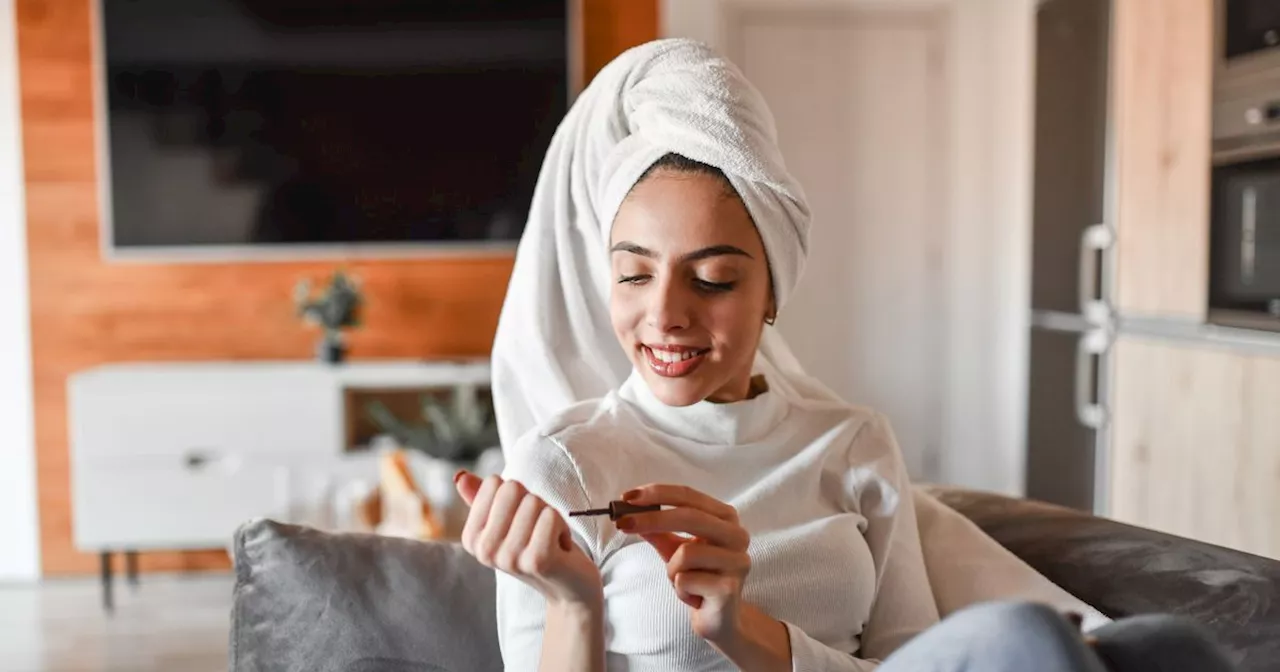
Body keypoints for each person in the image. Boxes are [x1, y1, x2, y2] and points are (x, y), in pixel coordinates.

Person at [452, 39, 1235, 672]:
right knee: (1023, 643)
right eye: (633, 274)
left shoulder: (851, 441)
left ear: (772, 294)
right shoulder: (563, 466)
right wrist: (573, 602)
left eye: (715, 278)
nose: (664, 314)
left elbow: (908, 658)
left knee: (1171, 649)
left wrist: (742, 627)